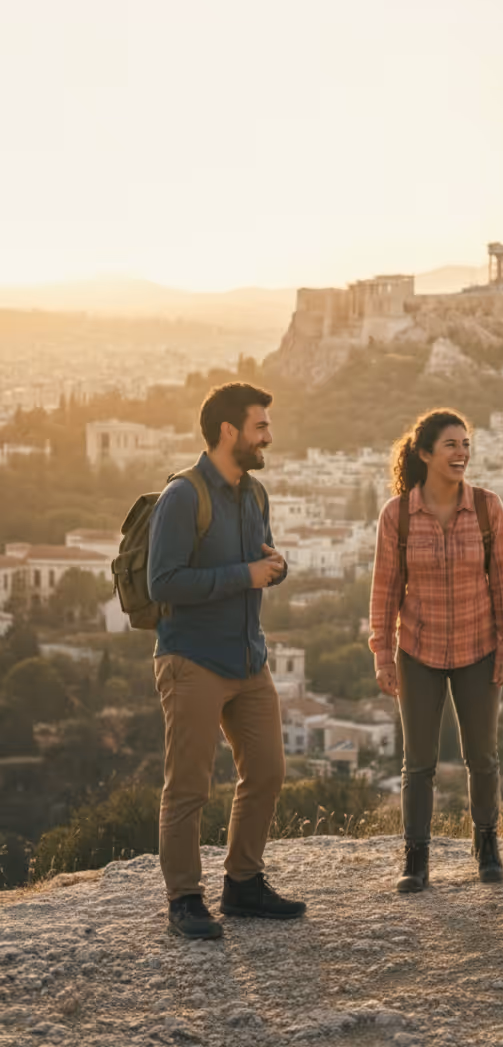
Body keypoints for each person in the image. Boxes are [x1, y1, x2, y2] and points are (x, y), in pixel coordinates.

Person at [148, 381, 306, 939]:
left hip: (247, 658)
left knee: (266, 771)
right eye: (260, 426)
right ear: (228, 432)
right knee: (189, 785)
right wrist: (246, 575)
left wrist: (275, 567)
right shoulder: (184, 496)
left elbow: (261, 560)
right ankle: (185, 900)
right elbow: (162, 581)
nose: (269, 436)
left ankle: (242, 884)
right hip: (191, 659)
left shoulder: (254, 494)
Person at [369, 409, 503, 893]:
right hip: (418, 649)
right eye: (452, 445)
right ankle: (415, 857)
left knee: (483, 755)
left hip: (478, 646)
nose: (462, 453)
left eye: (466, 444)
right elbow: (385, 589)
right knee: (418, 762)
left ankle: (487, 845)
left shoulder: (485, 506)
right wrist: (381, 652)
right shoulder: (397, 515)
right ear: (425, 453)